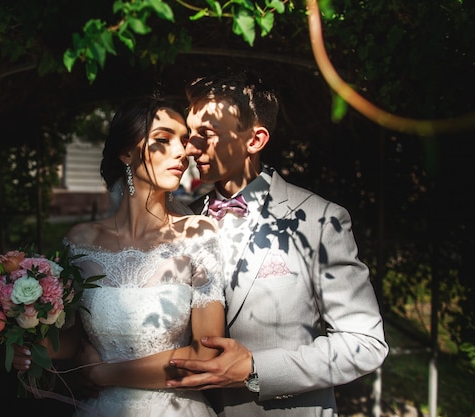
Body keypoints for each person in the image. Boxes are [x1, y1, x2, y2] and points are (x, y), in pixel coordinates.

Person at [164, 70, 389, 417]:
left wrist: (256, 369)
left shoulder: (319, 220)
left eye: (205, 135)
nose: (190, 148)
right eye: (190, 134)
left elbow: (365, 344)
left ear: (254, 140)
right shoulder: (178, 221)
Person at [12, 97, 226, 417]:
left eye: (182, 141)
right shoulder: (81, 241)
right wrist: (32, 348)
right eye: (163, 141)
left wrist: (106, 374)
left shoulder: (197, 235)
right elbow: (74, 337)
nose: (182, 152)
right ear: (127, 153)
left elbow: (206, 354)